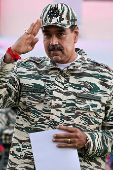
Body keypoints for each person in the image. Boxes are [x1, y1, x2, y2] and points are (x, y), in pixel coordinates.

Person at [0, 3, 113, 170]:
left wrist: (87, 140)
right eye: (47, 34)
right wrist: (10, 55)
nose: (53, 42)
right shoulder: (26, 70)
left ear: (75, 34)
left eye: (60, 34)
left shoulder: (104, 77)